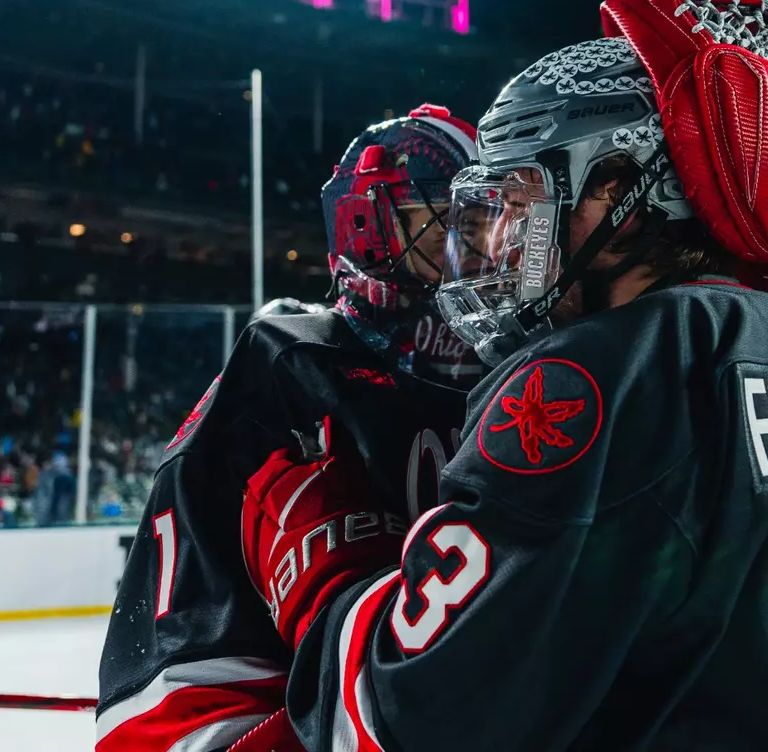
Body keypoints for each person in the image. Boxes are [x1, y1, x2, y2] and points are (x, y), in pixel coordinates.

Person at [244, 0, 768, 750]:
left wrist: (327, 563)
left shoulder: (600, 373)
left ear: (617, 189)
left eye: (519, 196)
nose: (496, 244)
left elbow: (401, 719)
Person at [96, 105, 483, 752]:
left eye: (489, 220)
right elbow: (378, 688)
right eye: (448, 219)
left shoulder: (467, 367)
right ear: (370, 226)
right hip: (210, 725)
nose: (479, 248)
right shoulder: (300, 363)